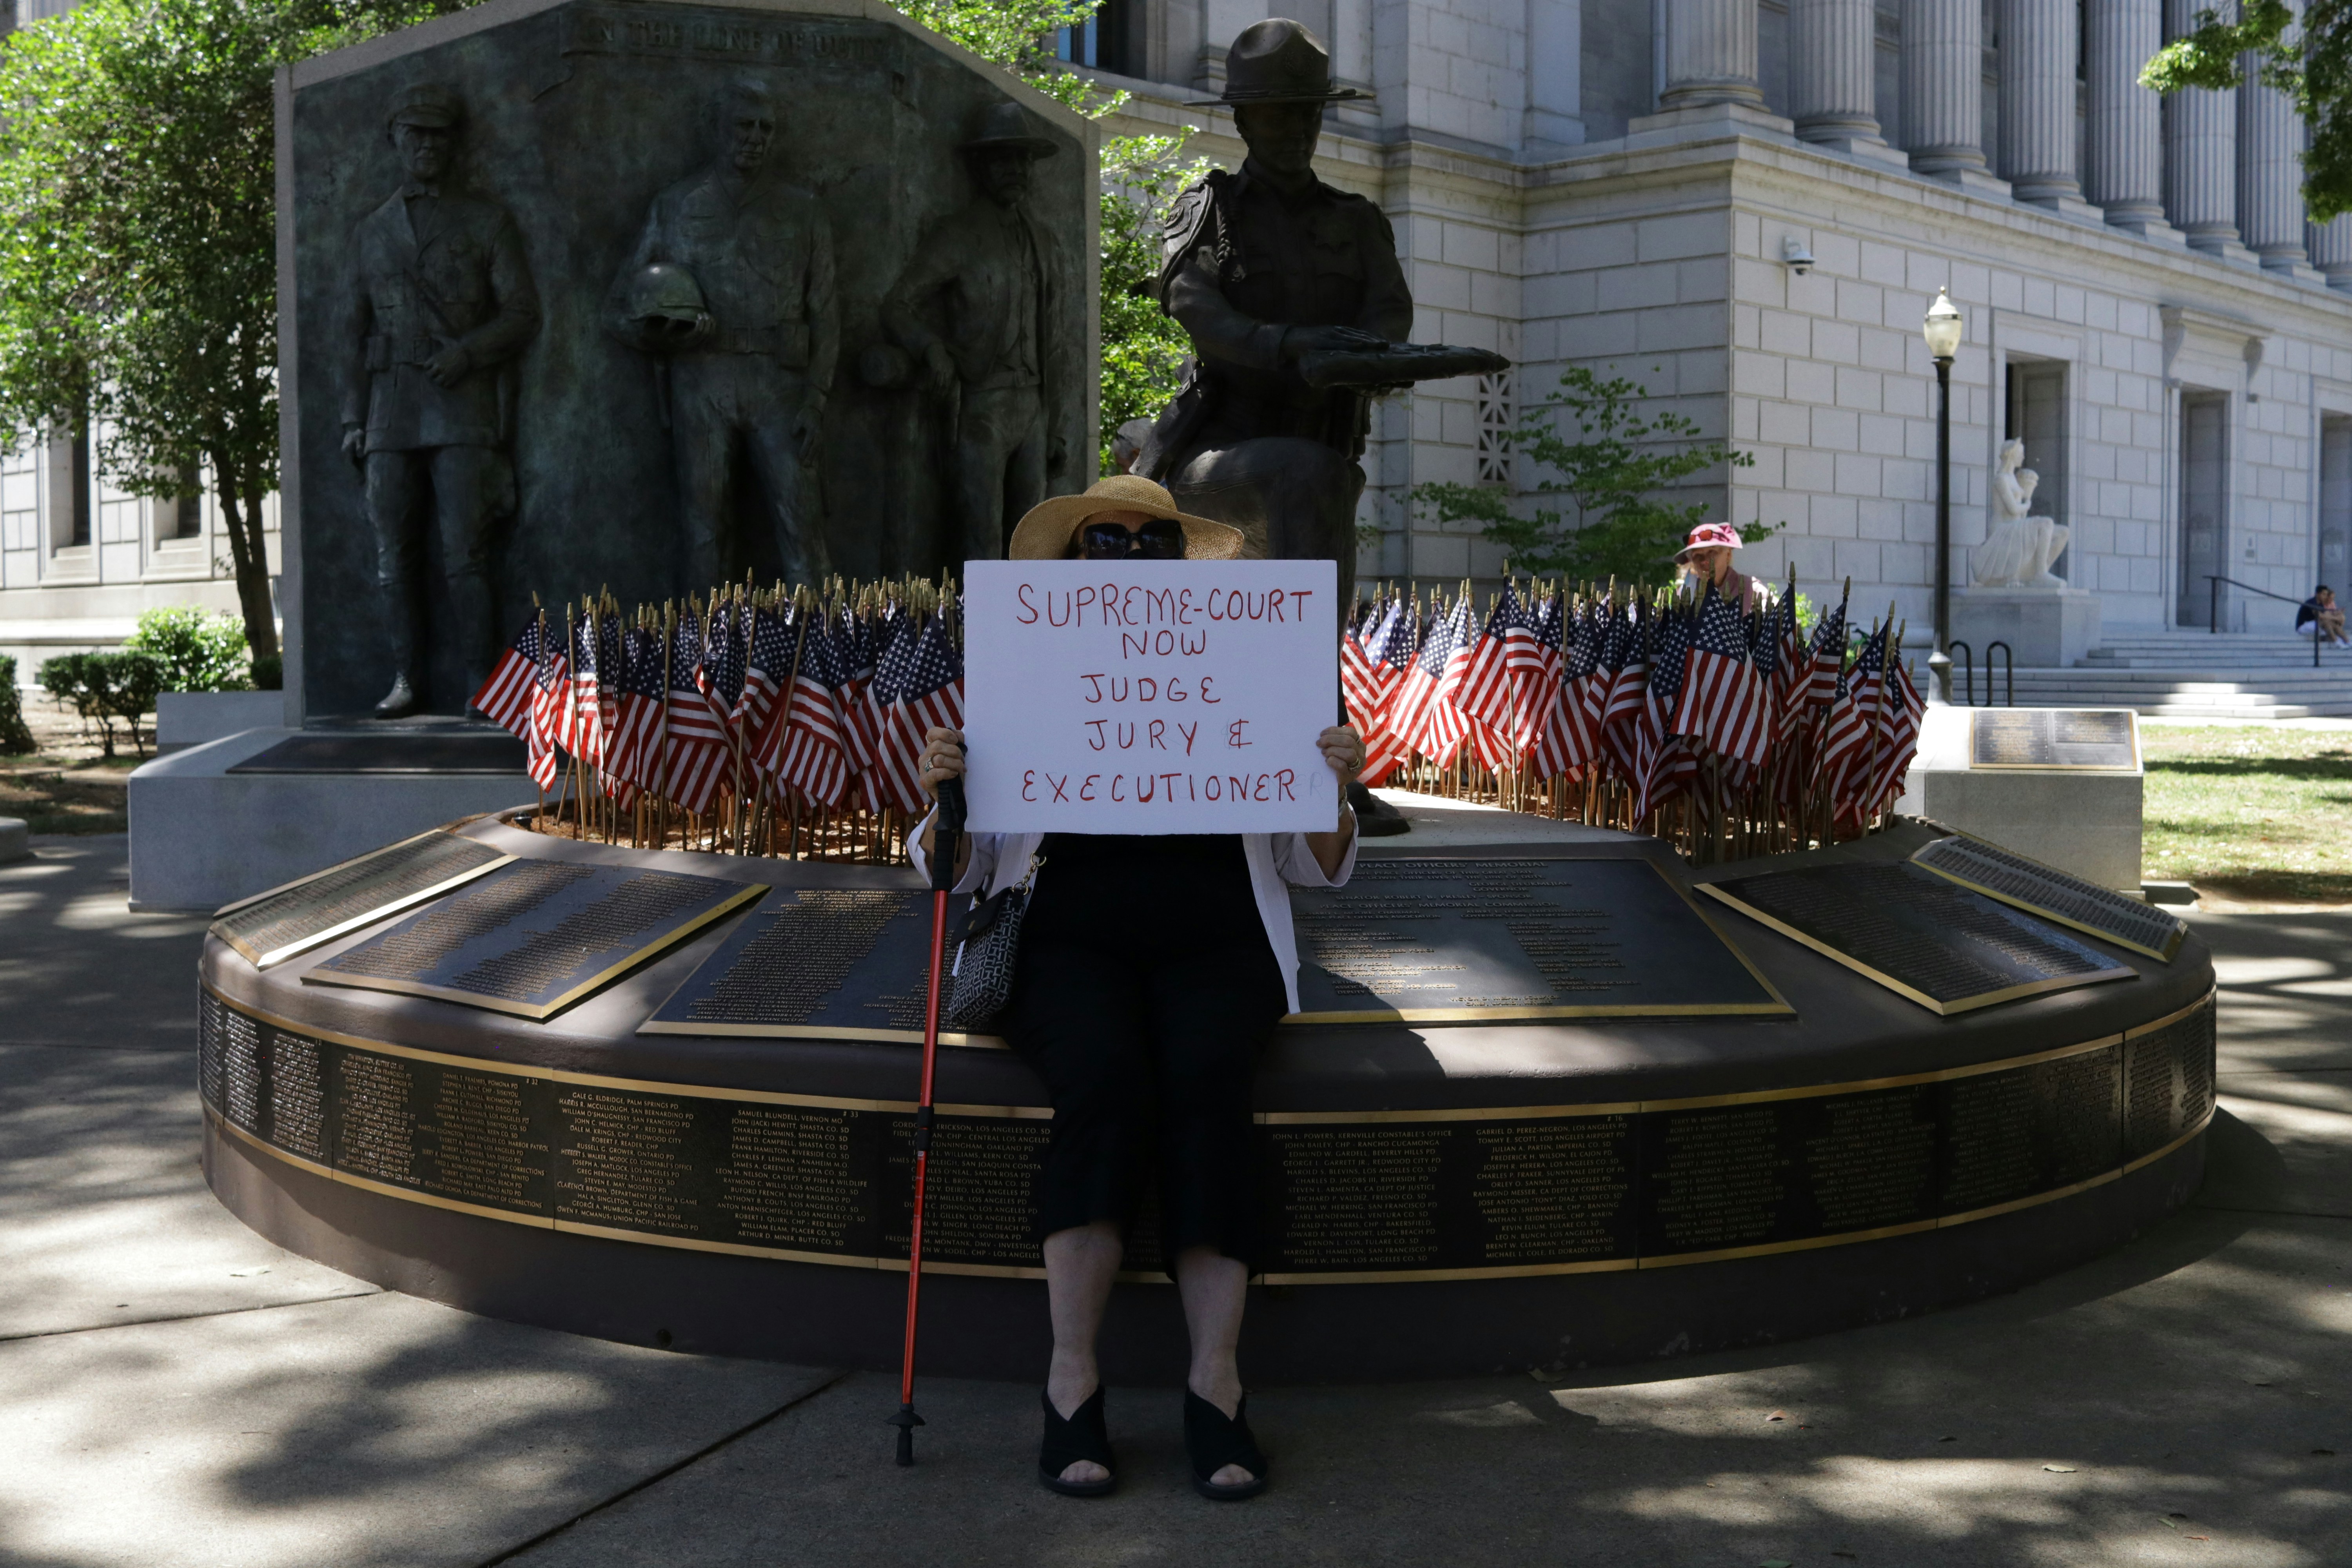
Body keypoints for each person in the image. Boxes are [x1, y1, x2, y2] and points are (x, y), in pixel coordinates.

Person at [911, 473, 1363, 1503]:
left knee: (1208, 1081)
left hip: (1219, 939)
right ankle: (1072, 1377)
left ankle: (1217, 1381)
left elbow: (1311, 863)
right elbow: (954, 869)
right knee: (1104, 1082)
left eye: (1144, 538)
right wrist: (950, 788)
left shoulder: (1248, 670)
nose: (1122, 553)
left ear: (1178, 559)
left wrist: (1333, 786)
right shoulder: (1022, 672)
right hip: (1066, 941)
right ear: (1071, 565)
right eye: (1100, 539)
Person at [343, 83, 540, 717]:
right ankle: (407, 678)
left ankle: (482, 681)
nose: (427, 145)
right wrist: (352, 416)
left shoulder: (486, 221)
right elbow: (349, 331)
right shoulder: (371, 230)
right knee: (392, 556)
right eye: (415, 134)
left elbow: (520, 313)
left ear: (453, 144)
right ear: (396, 141)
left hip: (461, 406)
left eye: (438, 134)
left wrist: (468, 352)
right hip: (390, 411)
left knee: (466, 554)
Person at [610, 76, 838, 590]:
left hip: (780, 384)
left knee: (801, 525)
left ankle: (822, 663)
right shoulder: (674, 204)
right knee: (704, 529)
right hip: (702, 381)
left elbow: (826, 312)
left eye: (765, 128)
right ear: (715, 130)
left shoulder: (804, 209)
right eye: (742, 125)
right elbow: (618, 309)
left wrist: (817, 399)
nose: (755, 137)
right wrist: (667, 337)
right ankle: (702, 660)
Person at [882, 102, 1074, 560]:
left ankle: (1023, 631)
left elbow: (1060, 341)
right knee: (981, 534)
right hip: (981, 403)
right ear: (981, 167)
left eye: (1024, 160)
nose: (1017, 170)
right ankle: (974, 630)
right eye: (1004, 159)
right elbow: (897, 305)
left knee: (1034, 539)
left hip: (1032, 407)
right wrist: (931, 348)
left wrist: (1059, 429)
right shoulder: (959, 234)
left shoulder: (1045, 241)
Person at [1675, 521, 1759, 612]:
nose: (1704, 561)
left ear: (1728, 555)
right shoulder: (1687, 592)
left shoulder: (1751, 589)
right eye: (1697, 556)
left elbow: (1775, 621)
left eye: (1712, 552)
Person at [2297, 584, 2350, 648]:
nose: (2325, 596)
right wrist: (2336, 618)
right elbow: (2320, 616)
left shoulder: (2321, 604)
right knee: (2326, 622)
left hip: (2315, 625)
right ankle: (2336, 642)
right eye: (2324, 594)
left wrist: (2337, 615)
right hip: (2303, 626)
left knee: (2334, 625)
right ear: (2318, 594)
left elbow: (2327, 615)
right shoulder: (2311, 602)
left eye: (2326, 594)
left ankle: (2347, 642)